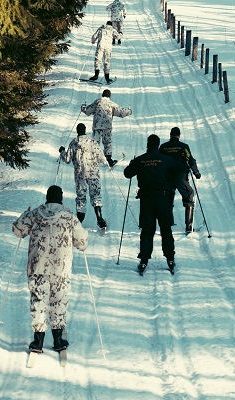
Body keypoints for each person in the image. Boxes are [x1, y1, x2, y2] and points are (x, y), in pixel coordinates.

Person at [12, 185, 88, 353]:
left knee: (38, 301)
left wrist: (25, 214)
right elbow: (82, 242)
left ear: (47, 197)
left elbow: (17, 230)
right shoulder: (69, 216)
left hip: (38, 266)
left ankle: (37, 341)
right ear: (61, 198)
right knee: (59, 301)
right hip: (61, 268)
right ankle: (58, 340)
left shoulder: (35, 214)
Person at [123, 134, 179, 274]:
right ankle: (170, 258)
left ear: (147, 145)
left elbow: (127, 174)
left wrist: (132, 164)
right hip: (163, 199)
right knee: (166, 229)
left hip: (146, 199)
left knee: (147, 230)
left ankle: (144, 259)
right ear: (158, 145)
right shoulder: (166, 159)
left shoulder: (140, 160)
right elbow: (180, 169)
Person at [59, 122, 108, 227]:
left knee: (81, 197)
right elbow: (101, 158)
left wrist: (62, 152)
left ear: (77, 131)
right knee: (96, 195)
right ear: (85, 131)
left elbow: (67, 159)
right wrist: (105, 162)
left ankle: (78, 223)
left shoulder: (73, 143)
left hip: (80, 174)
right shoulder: (93, 142)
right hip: (93, 174)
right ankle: (100, 218)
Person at [159, 126, 202, 233]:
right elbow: (190, 160)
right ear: (179, 136)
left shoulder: (163, 147)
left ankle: (168, 223)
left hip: (167, 177)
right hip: (180, 177)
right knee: (189, 196)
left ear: (170, 135)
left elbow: (159, 160)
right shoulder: (183, 147)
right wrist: (196, 172)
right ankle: (189, 226)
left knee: (168, 200)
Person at [81, 88, 132, 167]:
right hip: (107, 126)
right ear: (109, 96)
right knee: (107, 142)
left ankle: (93, 159)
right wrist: (129, 111)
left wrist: (83, 107)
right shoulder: (111, 104)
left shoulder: (97, 102)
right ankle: (108, 159)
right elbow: (121, 112)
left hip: (97, 126)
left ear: (102, 95)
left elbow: (88, 111)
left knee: (95, 142)